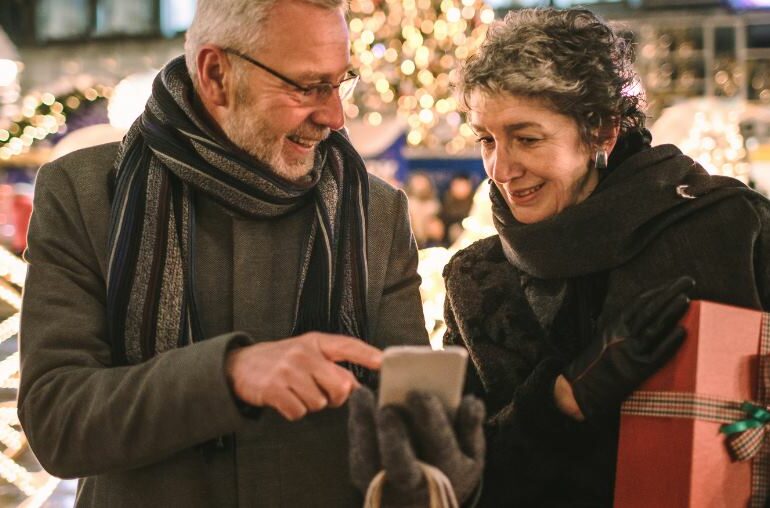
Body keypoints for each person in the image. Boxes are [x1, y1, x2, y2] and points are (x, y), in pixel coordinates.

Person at [16, 1, 431, 506]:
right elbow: (58, 422)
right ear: (216, 75)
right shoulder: (84, 192)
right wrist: (228, 374)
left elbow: (412, 416)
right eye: (306, 87)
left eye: (339, 82)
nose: (334, 116)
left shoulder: (374, 211)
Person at [443, 7, 770, 507]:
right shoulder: (476, 281)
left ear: (601, 131)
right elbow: (460, 477)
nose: (500, 169)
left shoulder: (728, 228)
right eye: (486, 140)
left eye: (527, 138)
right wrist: (561, 399)